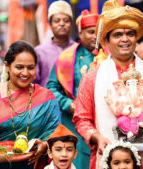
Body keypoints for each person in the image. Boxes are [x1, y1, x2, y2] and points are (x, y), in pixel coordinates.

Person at [73, 1, 143, 168]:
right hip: (107, 158)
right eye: (118, 34)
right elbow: (81, 118)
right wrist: (95, 137)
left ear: (136, 38)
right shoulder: (92, 79)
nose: (125, 39)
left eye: (130, 34)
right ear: (106, 40)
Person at [0, 40, 61, 169]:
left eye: (30, 68)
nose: (25, 73)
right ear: (7, 67)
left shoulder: (46, 98)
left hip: (32, 164)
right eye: (19, 67)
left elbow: (56, 134)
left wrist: (45, 145)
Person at [47, 9, 98, 169]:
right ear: (80, 33)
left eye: (98, 32)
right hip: (73, 120)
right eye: (90, 32)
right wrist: (69, 104)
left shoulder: (110, 56)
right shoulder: (67, 58)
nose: (95, 36)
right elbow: (51, 88)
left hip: (103, 121)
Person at [33, 0, 76, 87]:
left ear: (71, 24)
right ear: (50, 24)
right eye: (57, 21)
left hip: (73, 100)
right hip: (46, 99)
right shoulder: (40, 52)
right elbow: (34, 82)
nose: (62, 24)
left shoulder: (78, 49)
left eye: (66, 20)